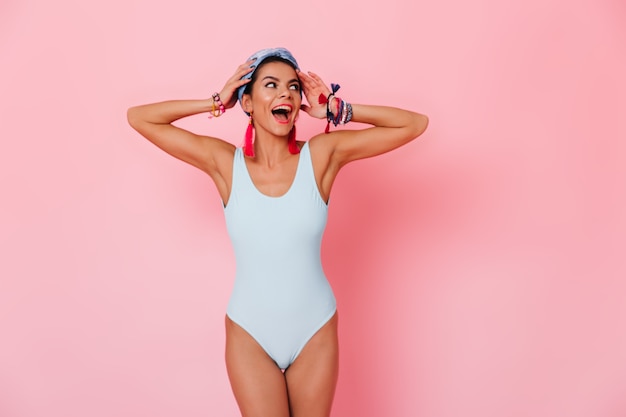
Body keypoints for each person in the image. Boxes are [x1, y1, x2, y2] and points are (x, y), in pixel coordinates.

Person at [127, 47, 428, 417]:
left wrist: (338, 110)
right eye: (270, 85)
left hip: (314, 329)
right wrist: (216, 101)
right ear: (248, 103)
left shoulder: (321, 156)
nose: (285, 94)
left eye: (292, 88)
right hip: (250, 333)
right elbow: (140, 118)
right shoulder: (225, 163)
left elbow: (414, 124)